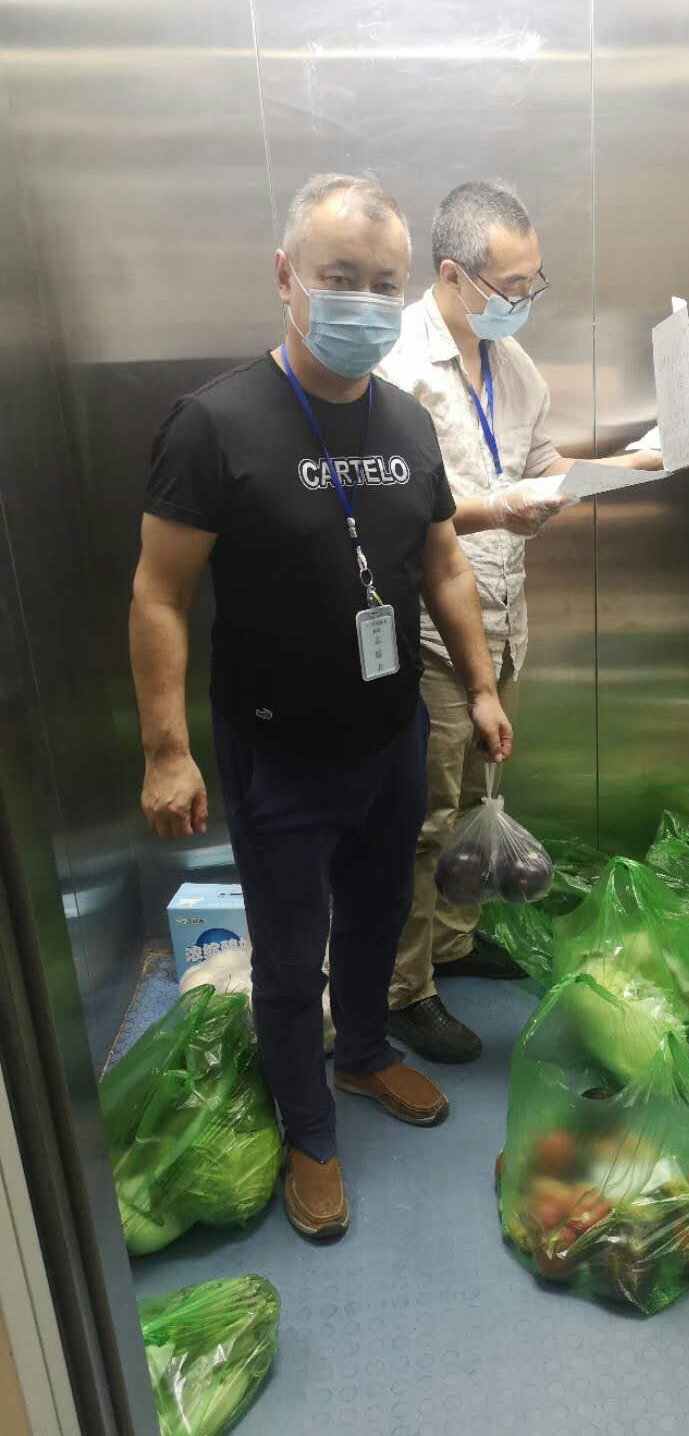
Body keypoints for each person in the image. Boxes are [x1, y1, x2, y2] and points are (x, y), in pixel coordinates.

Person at [129, 173, 513, 1242]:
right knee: (294, 956)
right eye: (341, 276)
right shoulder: (213, 425)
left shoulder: (406, 420)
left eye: (384, 283)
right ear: (285, 276)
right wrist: (166, 751)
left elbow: (443, 567)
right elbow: (158, 595)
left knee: (381, 916)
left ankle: (365, 1054)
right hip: (279, 753)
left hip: (392, 735)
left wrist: (480, 687)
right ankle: (309, 1129)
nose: (364, 300)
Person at [378, 181, 662, 1063]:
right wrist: (500, 507)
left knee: (474, 798)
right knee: (423, 820)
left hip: (504, 618)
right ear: (452, 275)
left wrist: (636, 463)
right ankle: (403, 990)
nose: (524, 300)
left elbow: (539, 464)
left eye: (534, 282)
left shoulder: (511, 363)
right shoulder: (395, 368)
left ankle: (453, 942)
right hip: (430, 630)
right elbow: (397, 512)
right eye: (511, 286)